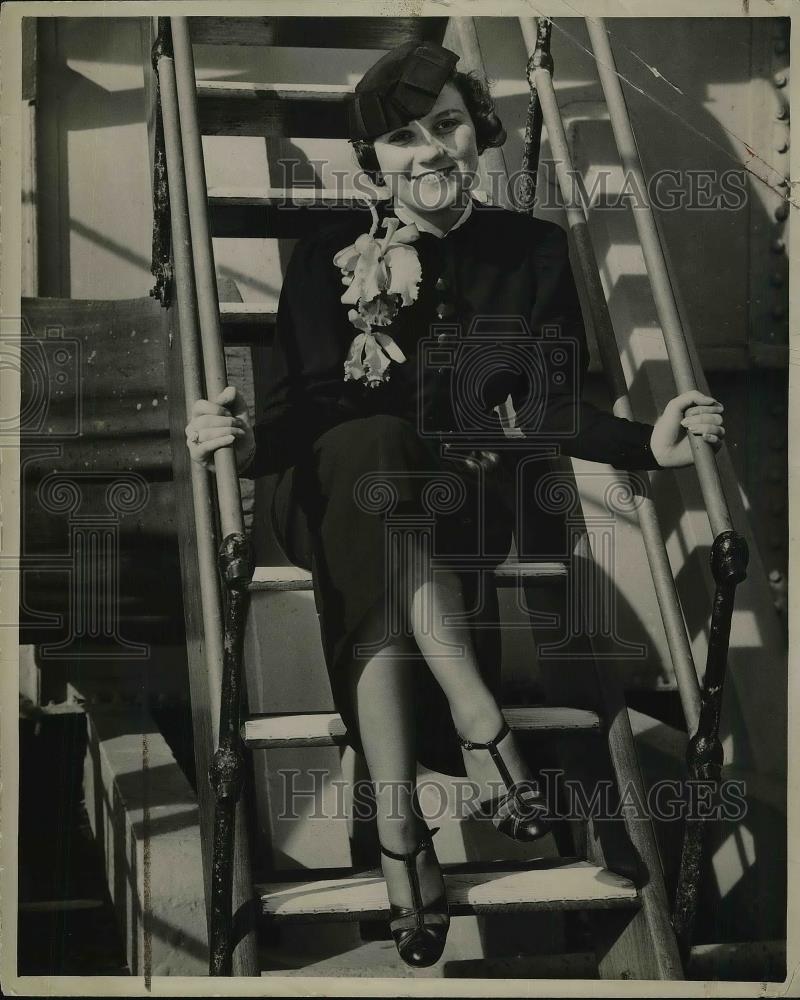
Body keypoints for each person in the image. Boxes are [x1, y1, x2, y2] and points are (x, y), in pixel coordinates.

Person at [185, 40, 725, 968]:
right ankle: (480, 719)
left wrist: (647, 443)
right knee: (366, 447)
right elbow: (304, 409)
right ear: (374, 162)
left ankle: (400, 840)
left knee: (390, 500)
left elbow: (548, 405)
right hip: (320, 492)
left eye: (445, 125)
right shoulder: (324, 258)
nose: (429, 150)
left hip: (458, 500)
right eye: (402, 138)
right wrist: (236, 442)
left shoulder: (534, 253)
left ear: (478, 131)